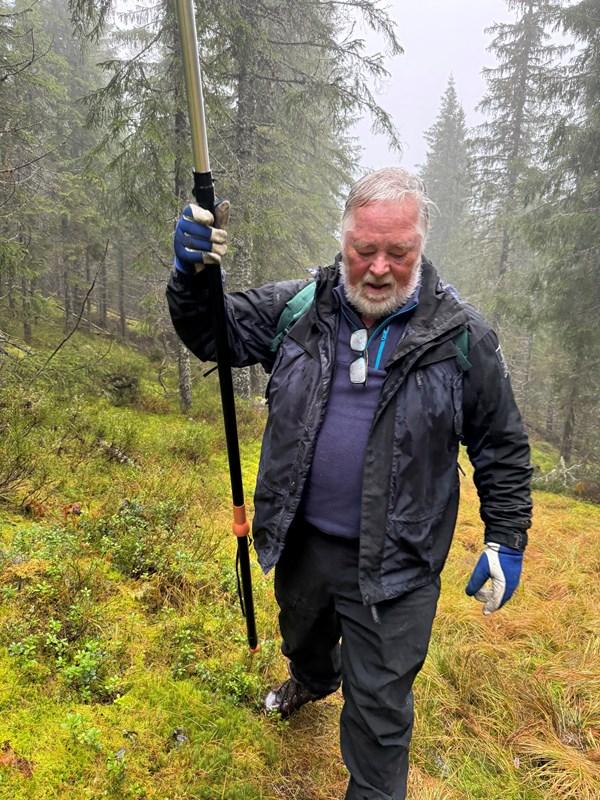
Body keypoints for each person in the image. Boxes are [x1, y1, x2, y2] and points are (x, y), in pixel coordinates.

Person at [166, 168, 533, 800]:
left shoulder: (461, 337)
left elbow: (499, 446)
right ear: (344, 241)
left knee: (380, 715)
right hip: (304, 540)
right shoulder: (303, 308)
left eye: (399, 252)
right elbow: (215, 333)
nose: (381, 268)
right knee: (302, 636)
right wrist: (192, 277)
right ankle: (312, 678)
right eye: (365, 251)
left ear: (420, 245)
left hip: (398, 563)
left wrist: (506, 538)